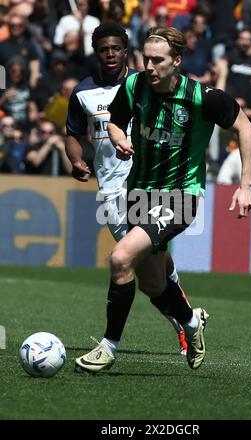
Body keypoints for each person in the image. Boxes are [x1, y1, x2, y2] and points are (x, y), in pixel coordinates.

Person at [74, 26, 251, 374]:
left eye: (158, 60)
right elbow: (114, 121)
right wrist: (116, 138)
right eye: (146, 59)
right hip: (139, 192)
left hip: (180, 195)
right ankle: (191, 324)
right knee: (154, 283)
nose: (150, 66)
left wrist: (245, 184)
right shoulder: (133, 86)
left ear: (177, 61)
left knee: (120, 258)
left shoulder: (203, 97)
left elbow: (245, 128)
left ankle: (108, 347)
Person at [65, 22, 189, 356]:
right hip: (109, 191)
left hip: (146, 184)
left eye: (115, 48)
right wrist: (76, 160)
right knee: (156, 262)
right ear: (96, 51)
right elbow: (73, 134)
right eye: (103, 49)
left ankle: (182, 325)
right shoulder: (82, 93)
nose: (109, 54)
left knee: (138, 261)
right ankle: (188, 316)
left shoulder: (143, 84)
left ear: (125, 50)